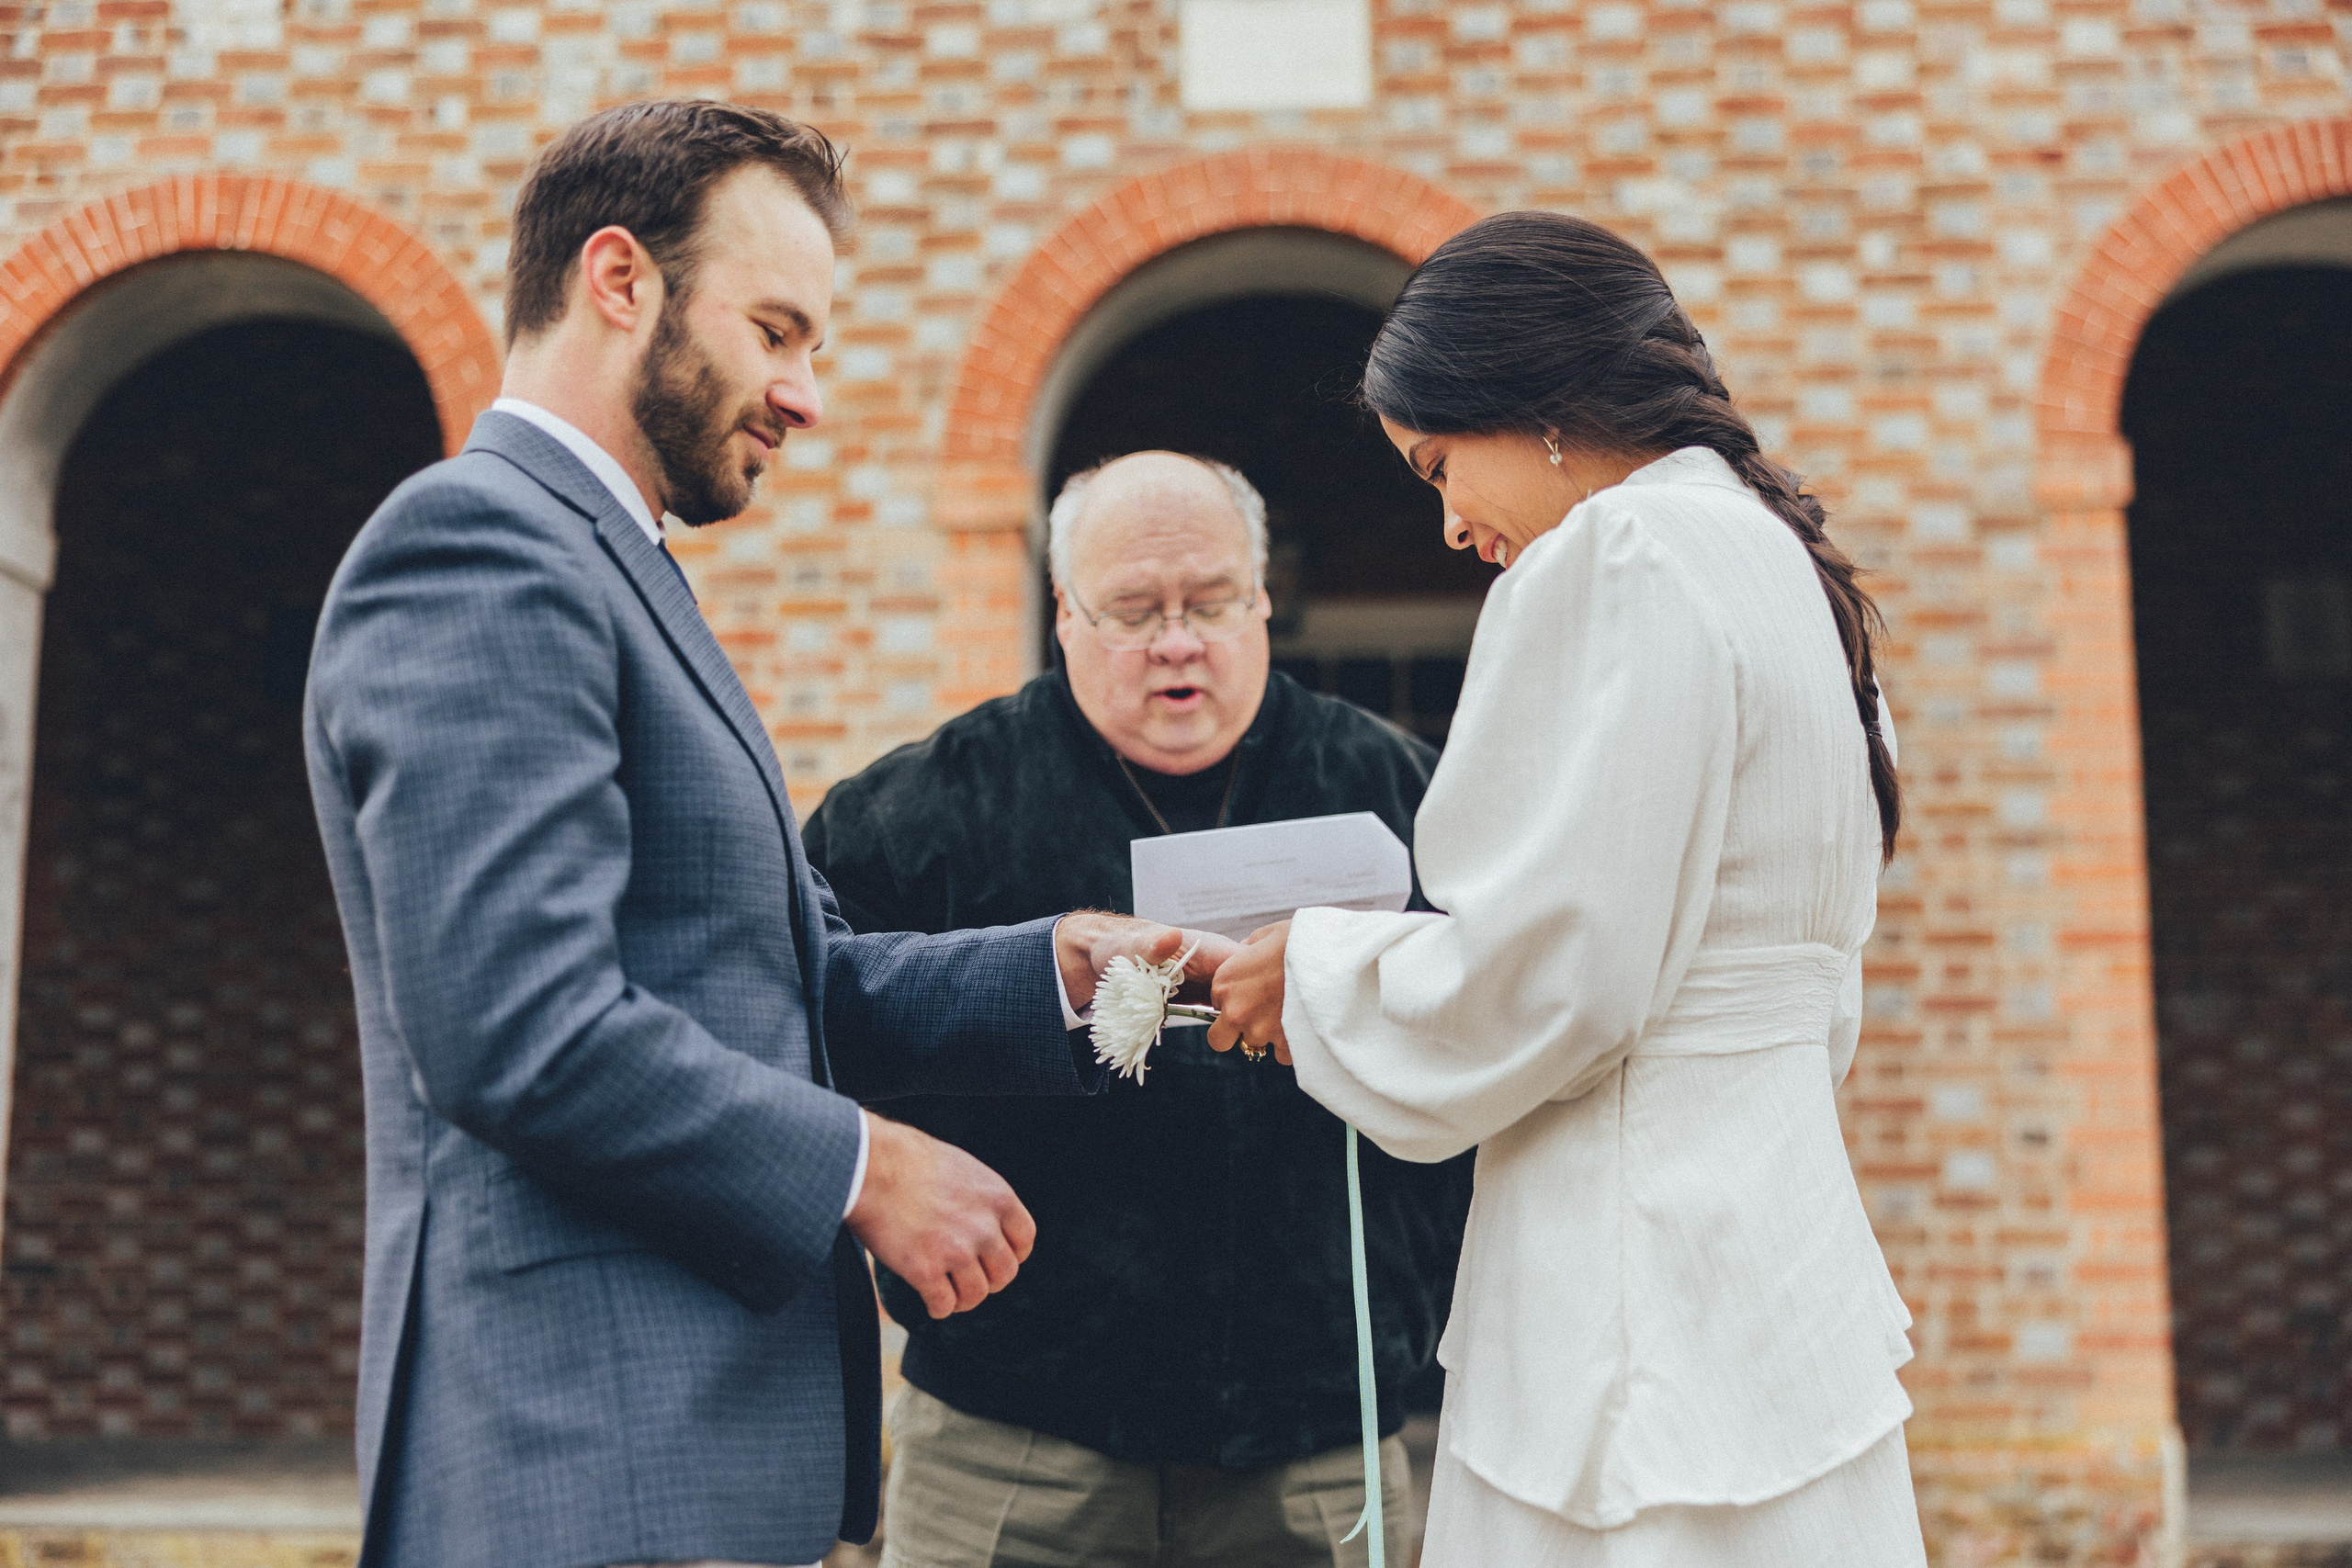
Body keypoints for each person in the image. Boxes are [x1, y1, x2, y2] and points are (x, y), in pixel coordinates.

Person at [303, 101, 1224, 1568]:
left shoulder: (619, 570)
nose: (806, 395)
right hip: (581, 1462)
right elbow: (513, 1024)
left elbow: (774, 978)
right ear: (621, 280)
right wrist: (865, 1166)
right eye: (778, 330)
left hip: (680, 1469)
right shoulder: (476, 549)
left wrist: (1049, 967)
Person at [1206, 211, 1927, 1566]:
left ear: (1531, 409)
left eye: (1437, 466)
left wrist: (1314, 967)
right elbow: (1811, 988)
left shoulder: (1621, 556)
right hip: (1783, 1266)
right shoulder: (1789, 571)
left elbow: (1557, 974)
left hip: (1635, 1287)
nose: (1451, 524)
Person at [801, 450, 1473, 1568]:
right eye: (1132, 610)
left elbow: (1499, 1039)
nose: (1177, 640)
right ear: (1061, 613)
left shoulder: (1404, 796)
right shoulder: (915, 814)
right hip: (1006, 1436)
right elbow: (807, 1020)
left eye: (1211, 602)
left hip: (1315, 1440)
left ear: (1264, 600)